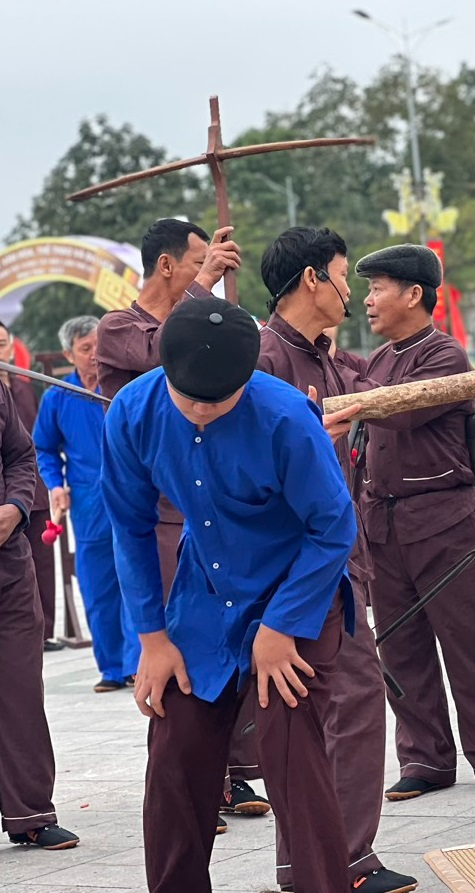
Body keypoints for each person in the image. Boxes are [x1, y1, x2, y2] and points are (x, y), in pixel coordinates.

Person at [101, 296, 355, 893]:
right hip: (204, 598)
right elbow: (130, 527)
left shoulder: (287, 417)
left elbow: (333, 527)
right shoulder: (133, 412)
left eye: (217, 401)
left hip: (297, 591)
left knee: (290, 747)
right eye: (187, 398)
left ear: (248, 378)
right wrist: (152, 638)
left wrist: (281, 626)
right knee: (174, 750)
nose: (200, 412)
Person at [236, 226, 414, 893]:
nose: (349, 291)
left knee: (329, 709)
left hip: (339, 558)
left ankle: (320, 860)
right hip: (290, 566)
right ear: (312, 279)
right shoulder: (261, 358)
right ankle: (340, 860)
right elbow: (248, 460)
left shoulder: (328, 361)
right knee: (340, 703)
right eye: (344, 276)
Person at [94, 218, 265, 822]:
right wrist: (205, 295)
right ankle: (182, 776)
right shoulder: (118, 328)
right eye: (196, 264)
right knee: (173, 653)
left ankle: (233, 771)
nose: (205, 274)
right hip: (161, 514)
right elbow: (172, 359)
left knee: (237, 639)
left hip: (212, 511)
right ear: (168, 266)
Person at [355, 243, 475, 802]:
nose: (368, 300)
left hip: (444, 522)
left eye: (378, 287)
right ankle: (425, 757)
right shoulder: (378, 362)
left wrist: (354, 400)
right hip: (383, 524)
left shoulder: (443, 356)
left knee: (470, 639)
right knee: (400, 646)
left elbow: (399, 409)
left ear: (413, 294)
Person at [33, 316, 140, 693]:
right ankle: (111, 667)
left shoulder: (124, 388)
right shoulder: (58, 396)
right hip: (88, 502)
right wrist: (55, 484)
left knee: (136, 575)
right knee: (98, 586)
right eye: (85, 348)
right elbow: (44, 448)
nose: (95, 355)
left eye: (99, 345)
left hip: (131, 493)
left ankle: (136, 663)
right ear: (68, 354)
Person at [0, 369, 79, 851]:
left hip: (7, 561)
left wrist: (14, 504)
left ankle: (30, 812)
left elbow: (21, 456)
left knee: (20, 691)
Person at [0, 322, 58, 651]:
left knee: (41, 564)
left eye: (2, 344)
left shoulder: (20, 389)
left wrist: (15, 503)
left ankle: (46, 630)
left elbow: (24, 449)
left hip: (26, 494)